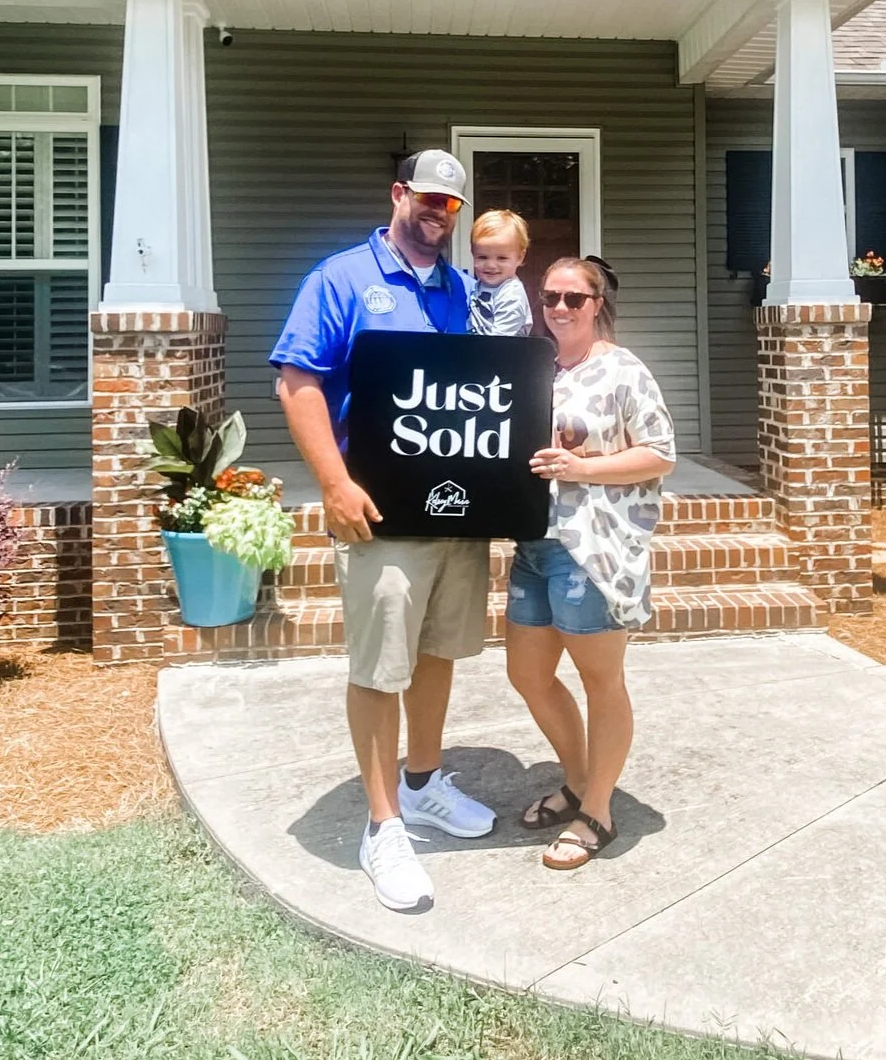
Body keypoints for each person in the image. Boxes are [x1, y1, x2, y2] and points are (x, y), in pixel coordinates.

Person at [270, 150, 499, 913]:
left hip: (452, 510)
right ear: (399, 194)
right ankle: (382, 825)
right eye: (428, 198)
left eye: (451, 204)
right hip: (377, 516)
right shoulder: (339, 279)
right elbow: (296, 381)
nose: (438, 213)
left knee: (436, 650)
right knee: (379, 665)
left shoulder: (460, 289)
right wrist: (334, 483)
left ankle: (423, 782)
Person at [507, 255, 676, 870]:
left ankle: (597, 810)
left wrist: (583, 469)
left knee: (602, 681)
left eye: (574, 298)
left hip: (594, 551)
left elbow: (660, 453)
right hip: (534, 545)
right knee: (527, 675)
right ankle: (578, 780)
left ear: (597, 304)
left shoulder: (623, 370)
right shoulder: (534, 367)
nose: (559, 307)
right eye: (550, 296)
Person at [467, 208, 534, 338]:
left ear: (520, 257)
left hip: (505, 349)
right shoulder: (478, 285)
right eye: (482, 257)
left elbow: (500, 340)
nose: (491, 265)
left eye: (502, 258)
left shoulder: (511, 294)